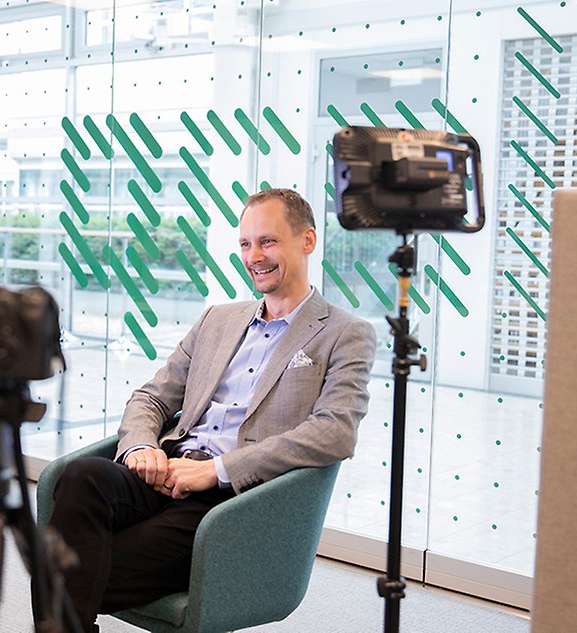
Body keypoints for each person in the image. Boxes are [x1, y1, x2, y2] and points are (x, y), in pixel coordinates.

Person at [47, 188, 377, 632]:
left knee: (69, 568)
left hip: (230, 499)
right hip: (164, 470)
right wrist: (142, 447)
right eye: (246, 243)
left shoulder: (344, 332)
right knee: (80, 476)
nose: (254, 256)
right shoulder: (217, 319)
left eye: (269, 241)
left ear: (308, 241)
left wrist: (218, 470)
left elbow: (334, 431)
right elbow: (152, 397)